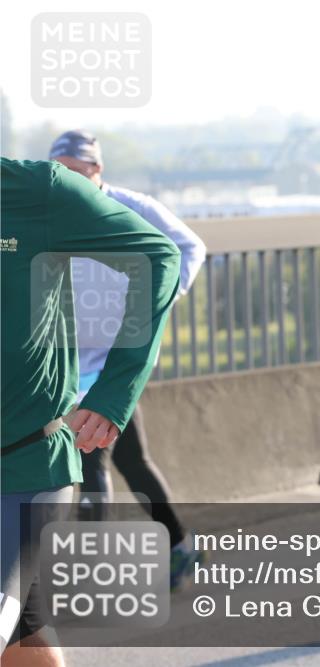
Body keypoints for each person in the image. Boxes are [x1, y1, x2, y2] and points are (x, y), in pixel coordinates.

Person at [1, 157, 180, 664]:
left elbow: (156, 256)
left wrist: (114, 389)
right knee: (25, 647)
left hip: (22, 467)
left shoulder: (40, 191)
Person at [49, 130, 208, 590]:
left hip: (116, 363)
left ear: (96, 170)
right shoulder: (52, 211)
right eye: (57, 170)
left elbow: (189, 246)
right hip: (65, 364)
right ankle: (180, 545)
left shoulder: (131, 206)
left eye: (75, 170)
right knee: (133, 461)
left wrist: (155, 304)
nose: (65, 179)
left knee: (93, 458)